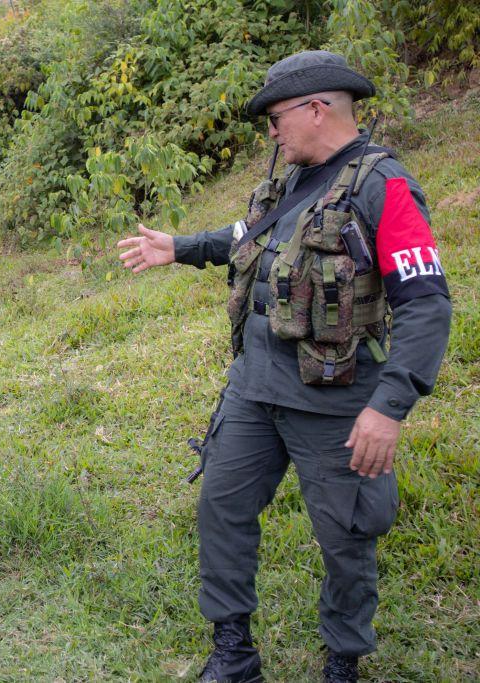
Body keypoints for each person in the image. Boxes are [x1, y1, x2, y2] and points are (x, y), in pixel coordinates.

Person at [117, 51, 451, 682]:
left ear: (316, 109)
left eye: (275, 119)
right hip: (256, 386)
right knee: (222, 505)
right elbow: (250, 233)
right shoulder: (290, 179)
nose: (271, 132)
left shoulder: (385, 188)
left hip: (338, 400)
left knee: (346, 537)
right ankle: (233, 651)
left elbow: (427, 305)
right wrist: (181, 248)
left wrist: (390, 405)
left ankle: (343, 662)